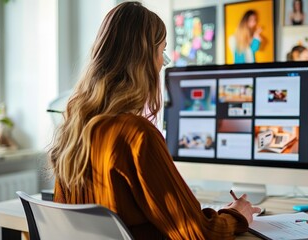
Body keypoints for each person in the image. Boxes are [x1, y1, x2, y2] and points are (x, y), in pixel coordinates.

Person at [48, 2, 260, 239]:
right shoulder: (136, 135)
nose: (162, 63)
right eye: (162, 52)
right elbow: (198, 233)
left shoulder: (75, 129)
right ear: (144, 60)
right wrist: (237, 214)